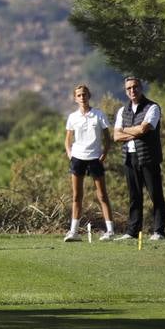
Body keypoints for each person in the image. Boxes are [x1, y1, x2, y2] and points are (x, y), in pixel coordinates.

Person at [112, 76, 165, 240]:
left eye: (135, 87)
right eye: (128, 88)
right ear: (126, 91)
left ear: (141, 88)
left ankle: (159, 231)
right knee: (134, 196)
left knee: (155, 194)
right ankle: (132, 231)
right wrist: (134, 131)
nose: (132, 91)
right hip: (129, 157)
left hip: (148, 157)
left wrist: (126, 130)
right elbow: (115, 136)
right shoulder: (123, 110)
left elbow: (145, 129)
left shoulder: (153, 108)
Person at [63, 84, 116, 241]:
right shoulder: (72, 117)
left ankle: (110, 232)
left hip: (95, 158)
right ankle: (74, 232)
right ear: (75, 98)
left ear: (89, 96)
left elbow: (107, 138)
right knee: (76, 196)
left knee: (102, 195)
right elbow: (68, 139)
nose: (82, 97)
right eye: (79, 95)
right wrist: (70, 154)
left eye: (84, 94)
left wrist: (104, 154)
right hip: (78, 158)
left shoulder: (99, 115)